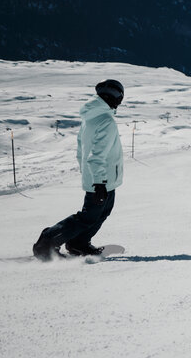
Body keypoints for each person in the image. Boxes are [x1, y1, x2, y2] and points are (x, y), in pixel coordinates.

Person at [32, 79, 125, 261]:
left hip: (102, 178)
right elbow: (96, 155)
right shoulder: (106, 121)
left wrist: (90, 175)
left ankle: (79, 242)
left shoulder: (90, 118)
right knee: (87, 217)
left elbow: (81, 150)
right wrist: (98, 182)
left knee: (102, 212)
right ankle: (47, 242)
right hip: (101, 180)